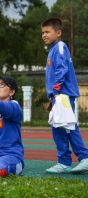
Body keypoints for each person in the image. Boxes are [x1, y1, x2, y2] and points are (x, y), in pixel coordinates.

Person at [41, 17, 88, 174]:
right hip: (59, 95)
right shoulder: (54, 49)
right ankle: (66, 162)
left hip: (63, 94)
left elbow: (61, 69)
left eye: (47, 31)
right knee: (61, 127)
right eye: (42, 32)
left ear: (58, 33)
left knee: (67, 126)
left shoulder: (60, 46)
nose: (44, 35)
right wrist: (52, 94)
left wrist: (55, 91)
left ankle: (82, 158)